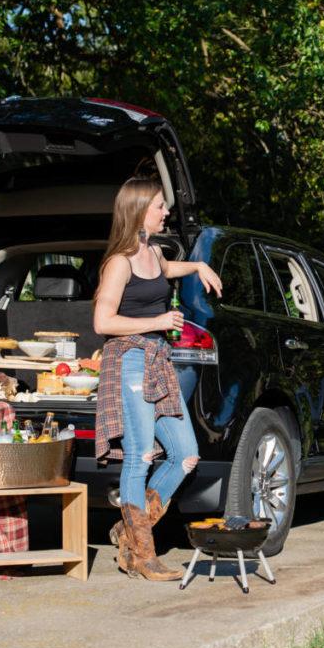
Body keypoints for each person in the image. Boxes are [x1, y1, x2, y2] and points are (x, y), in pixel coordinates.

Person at [93, 176, 223, 581]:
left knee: (185, 453)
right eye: (159, 206)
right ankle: (143, 557)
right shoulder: (119, 261)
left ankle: (130, 532)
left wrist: (199, 264)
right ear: (138, 211)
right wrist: (158, 320)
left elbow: (168, 268)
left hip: (156, 362)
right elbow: (101, 321)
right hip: (130, 359)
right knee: (141, 456)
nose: (165, 212)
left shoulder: (151, 252)